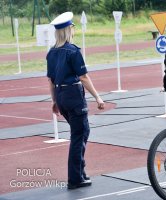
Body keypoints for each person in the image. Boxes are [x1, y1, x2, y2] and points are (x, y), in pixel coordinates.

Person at [47, 12, 105, 189]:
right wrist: (97, 97)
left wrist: (54, 101)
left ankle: (80, 171)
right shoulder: (73, 51)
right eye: (72, 28)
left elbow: (50, 79)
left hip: (61, 96)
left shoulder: (51, 52)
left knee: (80, 133)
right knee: (79, 136)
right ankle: (75, 178)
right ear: (68, 30)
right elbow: (84, 77)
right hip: (73, 95)